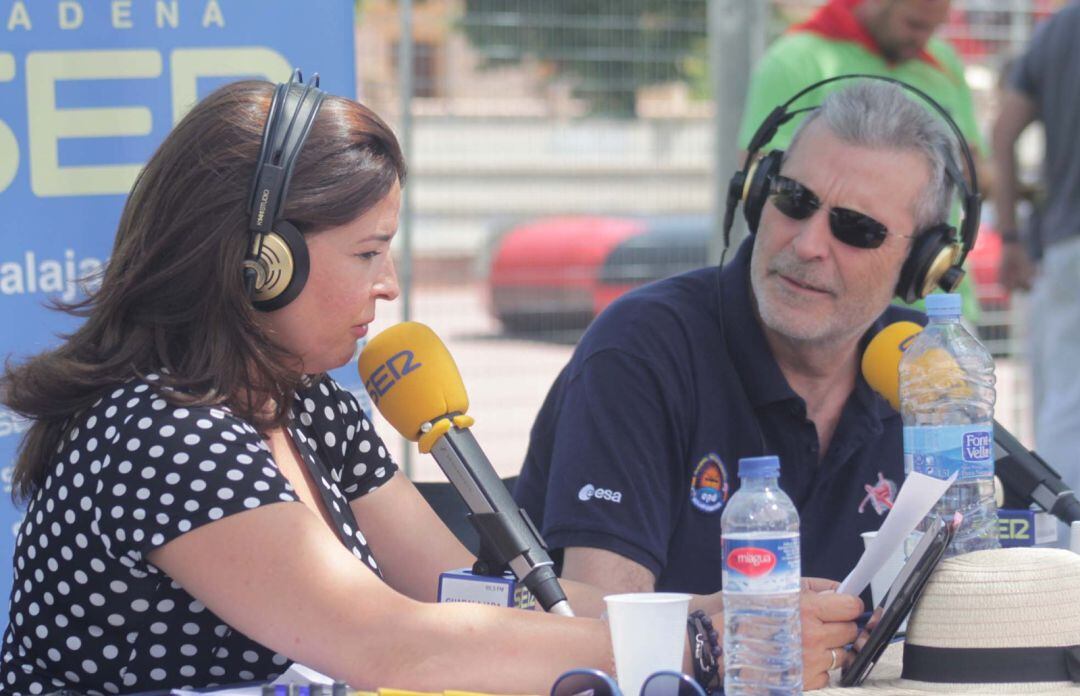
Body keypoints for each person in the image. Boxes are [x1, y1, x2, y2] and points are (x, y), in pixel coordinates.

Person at [0, 76, 859, 694]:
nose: (389, 286)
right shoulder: (164, 437)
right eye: (369, 253)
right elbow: (389, 646)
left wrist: (714, 612)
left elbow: (470, 596)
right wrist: (702, 645)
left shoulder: (311, 408)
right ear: (261, 262)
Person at [515, 80, 963, 619]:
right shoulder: (642, 349)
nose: (807, 244)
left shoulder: (923, 370)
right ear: (756, 195)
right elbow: (602, 627)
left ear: (923, 266)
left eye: (857, 230)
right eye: (794, 200)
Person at [737, 0, 985, 323]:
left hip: (937, 310)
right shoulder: (797, 60)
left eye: (932, 28)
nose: (922, 39)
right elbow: (759, 169)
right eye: (913, 24)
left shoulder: (944, 62)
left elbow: (980, 170)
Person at [992, 1, 1080, 493]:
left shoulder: (1061, 28)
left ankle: (1063, 553)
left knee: (1064, 408)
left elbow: (1003, 133)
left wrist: (1009, 237)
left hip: (1065, 246)